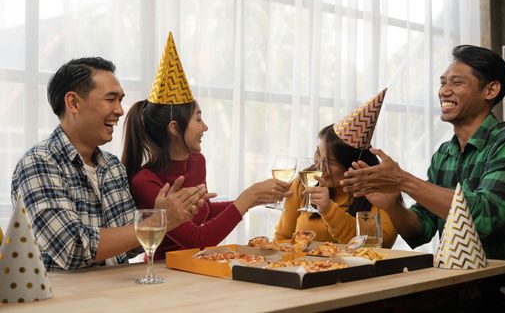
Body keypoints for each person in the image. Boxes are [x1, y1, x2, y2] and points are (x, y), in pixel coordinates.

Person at [342, 45, 505, 307]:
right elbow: (420, 231)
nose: (444, 91)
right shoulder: (444, 154)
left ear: (491, 90)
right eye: (442, 83)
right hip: (454, 282)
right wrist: (393, 204)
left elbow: (487, 215)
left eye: (456, 82)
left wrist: (404, 180)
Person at [11, 57, 210, 271]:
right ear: (73, 103)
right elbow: (72, 248)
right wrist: (155, 222)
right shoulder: (38, 163)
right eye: (111, 99)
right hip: (64, 300)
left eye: (120, 100)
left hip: (115, 295)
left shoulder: (112, 166)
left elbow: (131, 246)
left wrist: (161, 215)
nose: (120, 111)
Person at [122, 32, 291, 259]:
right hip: (166, 273)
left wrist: (255, 198)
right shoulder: (145, 181)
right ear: (174, 128)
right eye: (198, 119)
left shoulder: (196, 162)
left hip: (197, 268)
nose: (205, 127)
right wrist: (247, 198)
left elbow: (206, 213)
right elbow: (197, 238)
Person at [273, 124, 398, 247]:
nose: (319, 166)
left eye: (330, 162)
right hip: (301, 266)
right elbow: (283, 238)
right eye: (318, 152)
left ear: (354, 165)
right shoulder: (304, 182)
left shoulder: (381, 191)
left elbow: (382, 245)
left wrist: (328, 209)